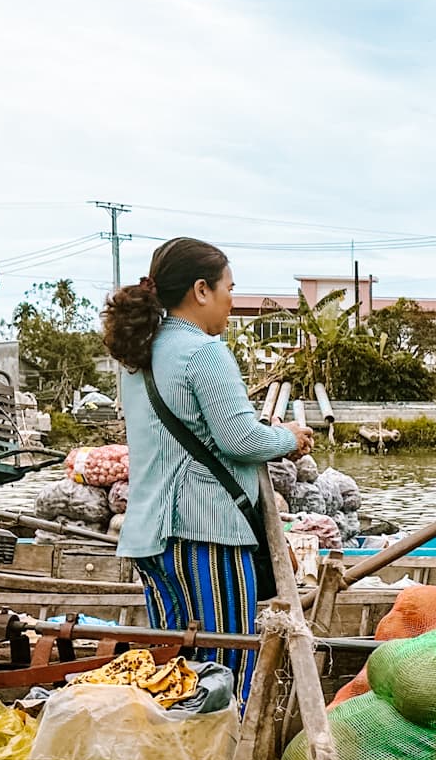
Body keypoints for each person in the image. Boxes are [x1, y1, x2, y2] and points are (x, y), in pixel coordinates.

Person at [103, 239, 313, 687]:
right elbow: (240, 440)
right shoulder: (204, 351)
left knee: (172, 668)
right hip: (205, 535)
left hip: (149, 538)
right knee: (227, 666)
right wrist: (287, 437)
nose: (231, 302)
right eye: (228, 289)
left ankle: (182, 751)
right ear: (201, 290)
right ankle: (229, 752)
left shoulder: (139, 354)